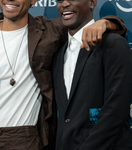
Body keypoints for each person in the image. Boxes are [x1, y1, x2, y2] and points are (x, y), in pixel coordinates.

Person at [0, 0, 127, 149]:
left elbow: (82, 24)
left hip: (27, 140)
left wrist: (106, 22)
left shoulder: (50, 31)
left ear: (34, 1)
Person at [52, 0, 132, 149]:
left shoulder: (114, 44)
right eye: (60, 0)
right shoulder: (57, 56)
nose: (64, 4)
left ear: (92, 3)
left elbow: (116, 111)